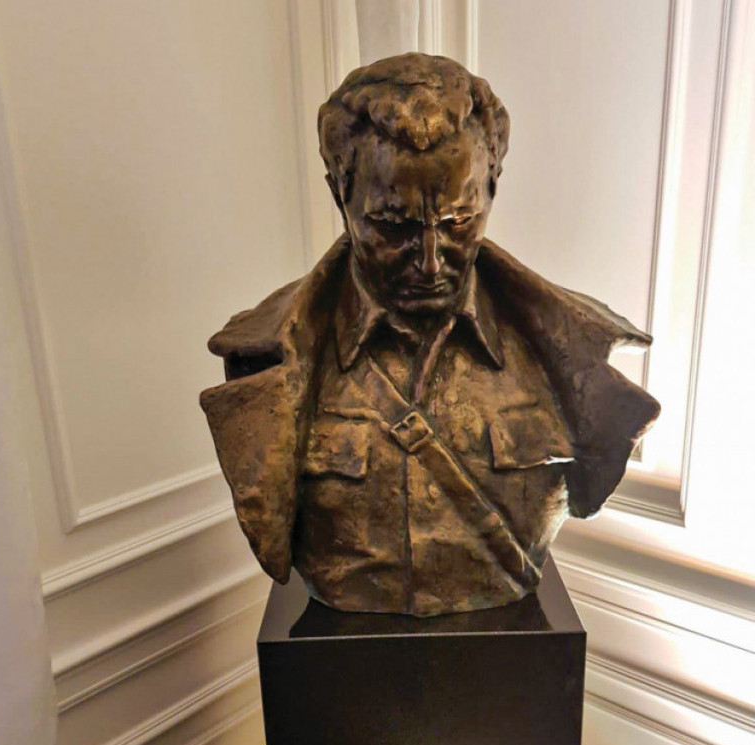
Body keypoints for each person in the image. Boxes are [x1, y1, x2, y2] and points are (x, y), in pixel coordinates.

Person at [200, 53, 660, 617]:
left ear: (492, 186)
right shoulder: (267, 360)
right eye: (392, 226)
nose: (430, 261)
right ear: (340, 194)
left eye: (458, 221)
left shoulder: (572, 354)